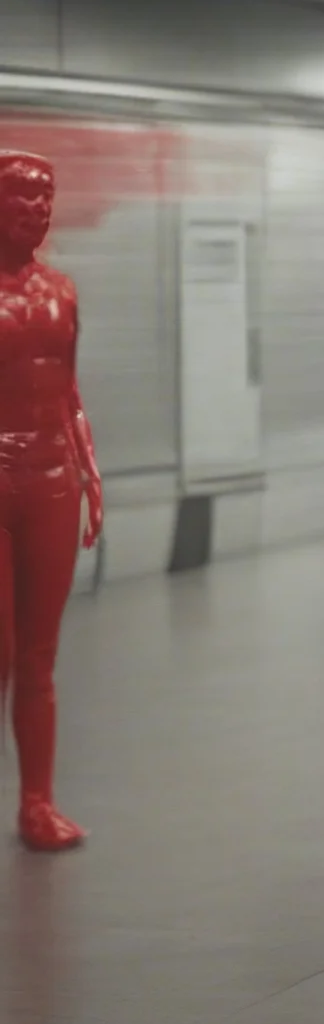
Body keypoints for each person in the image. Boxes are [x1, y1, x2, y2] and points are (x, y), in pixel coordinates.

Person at [0, 151, 103, 850]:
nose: (36, 209)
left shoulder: (60, 291)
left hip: (51, 479)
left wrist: (90, 472)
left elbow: (68, 390)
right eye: (21, 196)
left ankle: (37, 802)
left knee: (39, 657)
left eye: (45, 198)